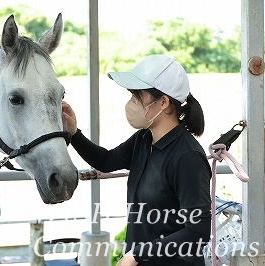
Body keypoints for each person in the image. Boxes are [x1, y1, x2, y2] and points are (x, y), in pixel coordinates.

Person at [62, 55, 211, 266]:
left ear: (164, 102)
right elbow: (106, 161)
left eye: (137, 96)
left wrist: (137, 254)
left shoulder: (187, 157)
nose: (131, 102)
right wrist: (74, 133)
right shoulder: (144, 139)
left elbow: (198, 231)